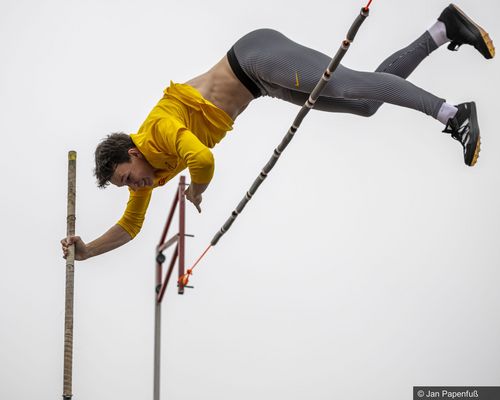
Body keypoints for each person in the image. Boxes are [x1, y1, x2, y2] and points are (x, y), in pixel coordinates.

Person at [61, 3, 494, 261]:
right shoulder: (148, 174)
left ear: (133, 153)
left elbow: (204, 160)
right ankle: (443, 29)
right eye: (127, 186)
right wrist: (88, 251)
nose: (134, 186)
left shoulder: (157, 132)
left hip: (253, 58)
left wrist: (196, 191)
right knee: (364, 104)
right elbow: (130, 227)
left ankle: (452, 114)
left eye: (126, 178)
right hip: (261, 84)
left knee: (345, 83)